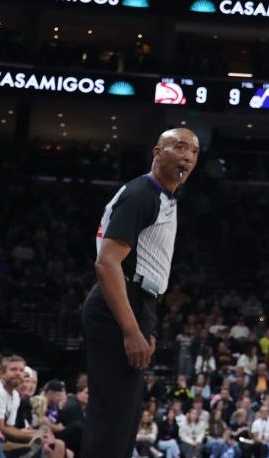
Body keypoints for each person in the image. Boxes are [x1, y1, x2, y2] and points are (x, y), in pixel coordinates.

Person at [81, 129, 200, 458]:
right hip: (118, 304)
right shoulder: (142, 194)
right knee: (112, 416)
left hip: (137, 301)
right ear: (157, 152)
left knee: (126, 416)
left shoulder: (165, 196)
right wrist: (131, 329)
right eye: (179, 147)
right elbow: (106, 263)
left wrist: (144, 323)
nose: (188, 157)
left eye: (194, 152)